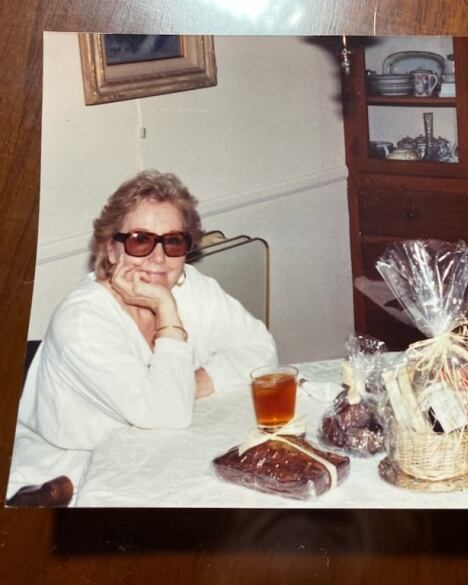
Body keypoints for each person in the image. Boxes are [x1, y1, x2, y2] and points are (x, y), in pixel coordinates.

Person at [7, 170, 278, 501]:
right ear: (111, 249)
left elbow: (261, 350)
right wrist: (166, 310)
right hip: (73, 475)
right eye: (140, 240)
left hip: (157, 453)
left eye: (173, 241)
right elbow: (167, 415)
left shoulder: (192, 286)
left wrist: (189, 384)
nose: (158, 258)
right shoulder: (82, 320)